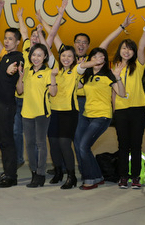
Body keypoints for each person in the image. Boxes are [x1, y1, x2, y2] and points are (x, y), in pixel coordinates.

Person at [98, 14, 145, 189]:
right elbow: (114, 93)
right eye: (124, 48)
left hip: (137, 110)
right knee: (123, 146)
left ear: (133, 52)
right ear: (119, 50)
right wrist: (114, 110)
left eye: (130, 49)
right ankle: (123, 177)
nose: (126, 51)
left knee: (136, 146)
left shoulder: (139, 65)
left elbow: (142, 48)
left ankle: (135, 177)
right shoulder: (114, 68)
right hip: (121, 111)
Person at [75, 47, 125, 190]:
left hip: (101, 116)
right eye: (95, 57)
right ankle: (97, 176)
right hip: (86, 115)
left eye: (101, 57)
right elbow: (73, 86)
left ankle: (90, 179)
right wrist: (80, 68)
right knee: (80, 146)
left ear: (105, 60)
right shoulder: (87, 77)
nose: (98, 59)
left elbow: (121, 93)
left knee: (84, 146)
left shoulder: (109, 76)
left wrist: (118, 77)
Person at [0, 3, 24, 188]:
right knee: (0, 140)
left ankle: (11, 177)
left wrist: (11, 71)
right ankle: (7, 171)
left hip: (7, 105)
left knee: (7, 140)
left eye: (10, 39)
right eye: (6, 38)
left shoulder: (18, 57)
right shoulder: (5, 54)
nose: (7, 41)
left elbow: (14, 70)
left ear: (17, 41)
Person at [16, 41, 55, 188]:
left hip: (41, 113)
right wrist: (20, 76)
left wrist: (52, 78)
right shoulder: (26, 71)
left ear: (45, 56)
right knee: (29, 144)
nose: (36, 58)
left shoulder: (47, 72)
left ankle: (41, 173)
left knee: (40, 144)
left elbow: (53, 92)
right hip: (27, 112)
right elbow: (20, 91)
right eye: (34, 55)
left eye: (39, 55)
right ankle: (33, 171)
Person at [47, 45, 80, 189]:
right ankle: (58, 172)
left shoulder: (76, 71)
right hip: (53, 111)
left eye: (69, 56)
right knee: (53, 143)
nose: (66, 59)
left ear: (74, 59)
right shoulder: (55, 71)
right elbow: (48, 51)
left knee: (64, 143)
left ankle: (71, 176)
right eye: (63, 56)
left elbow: (85, 65)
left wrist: (96, 59)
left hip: (69, 112)